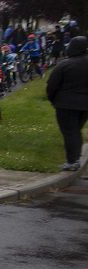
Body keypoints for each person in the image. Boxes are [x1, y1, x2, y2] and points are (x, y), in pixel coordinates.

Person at [46, 36, 88, 171]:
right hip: (84, 105)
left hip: (65, 104)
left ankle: (72, 161)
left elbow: (52, 85)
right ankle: (76, 157)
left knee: (70, 132)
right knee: (76, 131)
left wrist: (53, 100)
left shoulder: (65, 65)